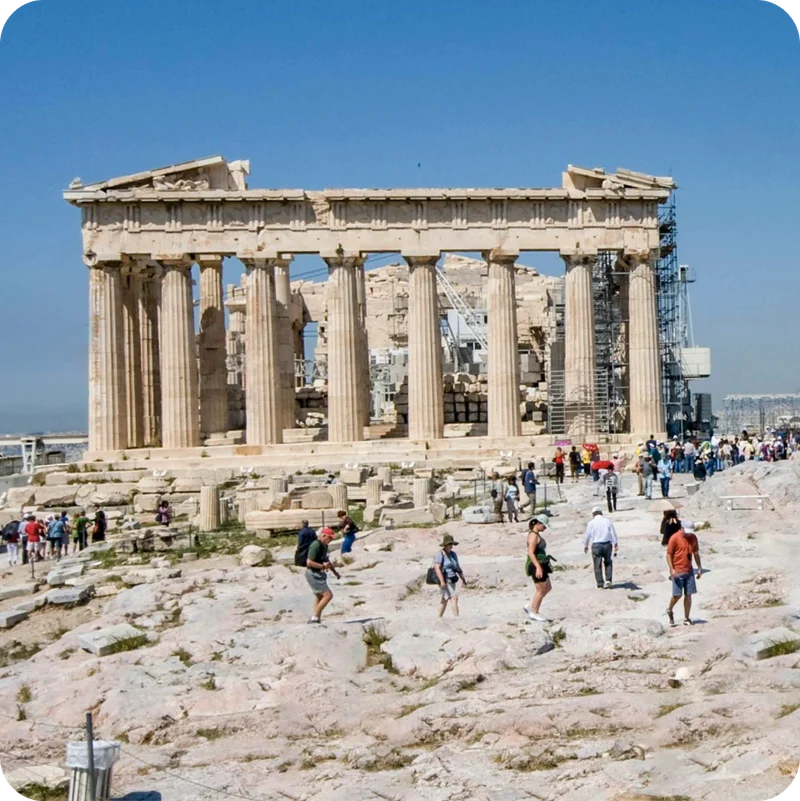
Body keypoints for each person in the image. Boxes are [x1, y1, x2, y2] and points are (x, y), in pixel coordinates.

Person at [666, 520, 702, 626]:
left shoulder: (693, 538)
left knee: (689, 595)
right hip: (677, 570)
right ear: (681, 528)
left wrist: (699, 567)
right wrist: (671, 569)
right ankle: (670, 609)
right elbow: (669, 554)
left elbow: (696, 553)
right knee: (677, 595)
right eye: (687, 531)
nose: (688, 533)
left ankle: (686, 618)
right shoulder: (674, 538)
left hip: (689, 570)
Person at [305, 526, 341, 623]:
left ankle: (317, 618)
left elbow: (326, 560)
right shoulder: (316, 545)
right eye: (329, 538)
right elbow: (309, 562)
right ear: (323, 535)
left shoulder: (324, 546)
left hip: (319, 573)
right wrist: (322, 566)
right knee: (328, 595)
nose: (330, 540)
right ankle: (314, 617)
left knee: (319, 597)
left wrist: (335, 572)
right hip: (313, 573)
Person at [524, 515, 553, 622]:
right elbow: (531, 553)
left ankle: (531, 606)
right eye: (544, 526)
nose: (545, 528)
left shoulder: (536, 535)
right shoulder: (533, 536)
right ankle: (535, 612)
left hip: (542, 563)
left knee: (548, 587)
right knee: (541, 589)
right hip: (536, 564)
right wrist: (538, 567)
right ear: (538, 524)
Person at [583, 506, 618, 589]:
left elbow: (587, 535)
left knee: (597, 565)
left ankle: (600, 584)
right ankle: (608, 580)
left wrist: (585, 545)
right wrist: (615, 543)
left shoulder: (591, 523)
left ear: (593, 514)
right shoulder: (607, 521)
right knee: (608, 562)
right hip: (607, 544)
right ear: (601, 513)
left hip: (596, 545)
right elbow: (612, 532)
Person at [434, 533, 466, 618]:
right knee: (454, 598)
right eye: (449, 544)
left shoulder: (453, 554)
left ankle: (438, 618)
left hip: (452, 579)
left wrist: (463, 579)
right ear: (445, 545)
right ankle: (457, 618)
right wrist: (441, 581)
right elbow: (437, 568)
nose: (451, 546)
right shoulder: (440, 554)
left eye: (451, 544)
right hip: (445, 579)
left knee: (445, 599)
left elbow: (457, 568)